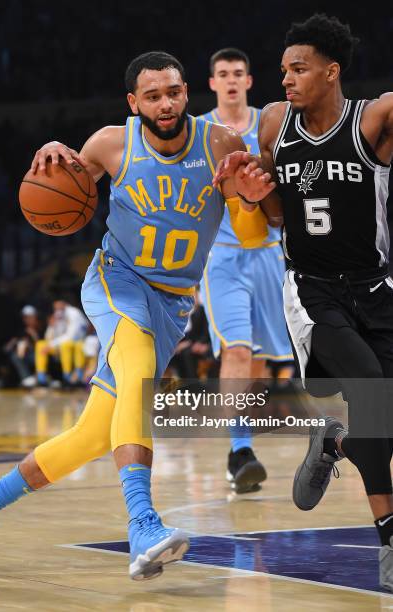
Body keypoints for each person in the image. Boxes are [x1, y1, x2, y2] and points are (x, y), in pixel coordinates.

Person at [0, 51, 274, 582]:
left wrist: (250, 205)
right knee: (136, 370)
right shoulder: (111, 143)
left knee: (94, 435)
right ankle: (143, 522)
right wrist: (48, 154)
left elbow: (251, 238)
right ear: (133, 102)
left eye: (174, 92)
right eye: (153, 95)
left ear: (188, 93)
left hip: (174, 302)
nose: (166, 103)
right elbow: (62, 175)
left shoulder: (221, 147)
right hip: (119, 281)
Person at [214, 14, 393, 590]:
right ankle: (389, 541)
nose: (285, 79)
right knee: (369, 388)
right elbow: (273, 214)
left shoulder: (374, 119)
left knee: (379, 414)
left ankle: (334, 439)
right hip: (311, 288)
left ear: (331, 71)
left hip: (377, 285)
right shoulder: (273, 125)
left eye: (299, 69)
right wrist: (250, 195)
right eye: (283, 69)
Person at [199, 48, 292, 493]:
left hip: (271, 252)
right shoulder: (202, 133)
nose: (231, 80)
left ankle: (244, 443)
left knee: (258, 361)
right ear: (213, 82)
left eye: (238, 73)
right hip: (222, 257)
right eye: (223, 74)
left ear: (249, 81)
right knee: (235, 350)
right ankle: (239, 452)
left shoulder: (270, 126)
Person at [35, 299, 88, 387]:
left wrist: (51, 345)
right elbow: (48, 337)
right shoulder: (58, 314)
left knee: (65, 346)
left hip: (77, 342)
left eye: (59, 305)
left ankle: (68, 377)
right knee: (40, 344)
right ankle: (41, 378)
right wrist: (51, 326)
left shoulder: (73, 313)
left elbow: (71, 336)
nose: (57, 308)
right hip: (60, 343)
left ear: (64, 303)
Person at [5, 305, 41, 388]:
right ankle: (27, 378)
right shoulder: (21, 330)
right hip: (25, 355)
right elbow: (8, 347)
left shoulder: (41, 328)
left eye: (30, 317)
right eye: (25, 318)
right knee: (15, 356)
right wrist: (16, 343)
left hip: (39, 354)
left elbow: (43, 344)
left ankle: (40, 377)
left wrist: (33, 335)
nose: (27, 320)